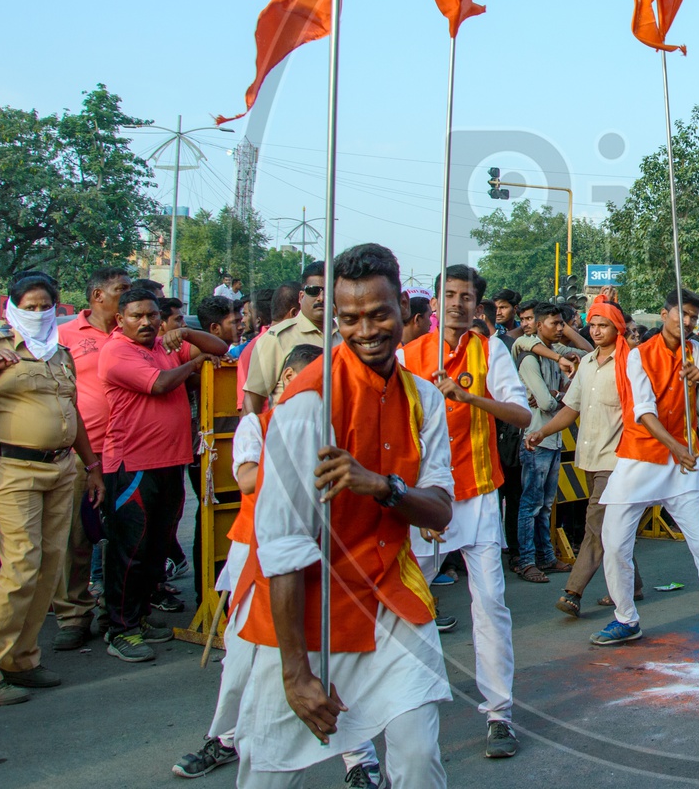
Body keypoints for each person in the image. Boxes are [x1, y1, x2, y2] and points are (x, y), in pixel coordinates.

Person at [227, 243, 453, 787]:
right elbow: (280, 545)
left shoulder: (425, 397)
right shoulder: (308, 402)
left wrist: (381, 486)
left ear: (403, 307)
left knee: (420, 754)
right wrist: (296, 672)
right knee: (271, 772)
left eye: (379, 314)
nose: (365, 330)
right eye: (348, 318)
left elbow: (440, 509)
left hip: (391, 598)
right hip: (308, 612)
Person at [174, 346, 391, 785]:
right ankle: (225, 738)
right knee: (242, 662)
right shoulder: (256, 424)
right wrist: (299, 458)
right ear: (288, 376)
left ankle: (358, 760)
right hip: (253, 555)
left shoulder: (332, 423)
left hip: (321, 560)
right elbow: (249, 477)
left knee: (334, 661)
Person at [0, 272, 106, 707]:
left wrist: (91, 465)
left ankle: (21, 657)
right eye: (31, 306)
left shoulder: (59, 353)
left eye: (46, 306)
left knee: (48, 565)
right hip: (12, 468)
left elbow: (72, 409)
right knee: (21, 564)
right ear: (14, 307)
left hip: (61, 467)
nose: (39, 313)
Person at [401, 264, 529, 760]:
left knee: (491, 604)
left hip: (477, 496)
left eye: (465, 296)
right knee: (406, 608)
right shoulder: (406, 356)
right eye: (448, 295)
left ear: (478, 305)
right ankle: (396, 715)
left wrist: (469, 397)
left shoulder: (489, 349)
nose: (456, 304)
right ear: (434, 302)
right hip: (425, 500)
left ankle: (500, 714)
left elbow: (520, 414)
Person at [590, 289, 699, 651]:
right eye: (683, 314)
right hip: (640, 459)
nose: (689, 322)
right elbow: (644, 413)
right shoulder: (639, 356)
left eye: (694, 317)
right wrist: (677, 446)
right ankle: (625, 618)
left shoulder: (694, 351)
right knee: (614, 544)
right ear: (664, 314)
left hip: (681, 466)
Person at [98, 288, 228, 661]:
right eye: (137, 316)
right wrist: (193, 363)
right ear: (120, 319)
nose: (147, 322)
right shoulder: (117, 351)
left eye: (153, 315)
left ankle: (136, 619)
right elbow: (160, 384)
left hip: (170, 461)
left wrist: (186, 335)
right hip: (132, 465)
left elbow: (219, 348)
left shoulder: (164, 345)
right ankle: (119, 629)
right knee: (130, 550)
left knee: (156, 549)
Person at [529, 296, 642, 617]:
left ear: (616, 328)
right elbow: (571, 408)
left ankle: (573, 591)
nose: (595, 331)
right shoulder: (588, 363)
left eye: (602, 325)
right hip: (589, 459)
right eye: (591, 325)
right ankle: (632, 583)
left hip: (618, 460)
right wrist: (543, 432)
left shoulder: (632, 362)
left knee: (596, 525)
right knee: (611, 526)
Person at [54, 266, 132, 649]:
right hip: (83, 453)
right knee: (78, 537)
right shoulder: (64, 335)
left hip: (128, 450)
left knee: (123, 536)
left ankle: (120, 613)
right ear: (98, 295)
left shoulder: (134, 331)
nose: (128, 296)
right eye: (121, 290)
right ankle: (74, 615)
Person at [513, 302, 572, 583]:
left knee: (546, 504)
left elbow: (559, 395)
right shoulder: (528, 357)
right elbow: (550, 401)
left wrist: (556, 394)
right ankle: (526, 560)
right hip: (536, 440)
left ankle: (545, 556)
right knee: (532, 504)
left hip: (551, 438)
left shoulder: (552, 356)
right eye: (555, 323)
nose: (560, 329)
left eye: (562, 323)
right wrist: (559, 396)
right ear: (539, 325)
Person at [243, 263, 325, 415]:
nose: (321, 298)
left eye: (328, 292)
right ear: (301, 297)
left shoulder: (346, 337)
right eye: (313, 291)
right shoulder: (278, 338)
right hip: (289, 435)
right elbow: (251, 403)